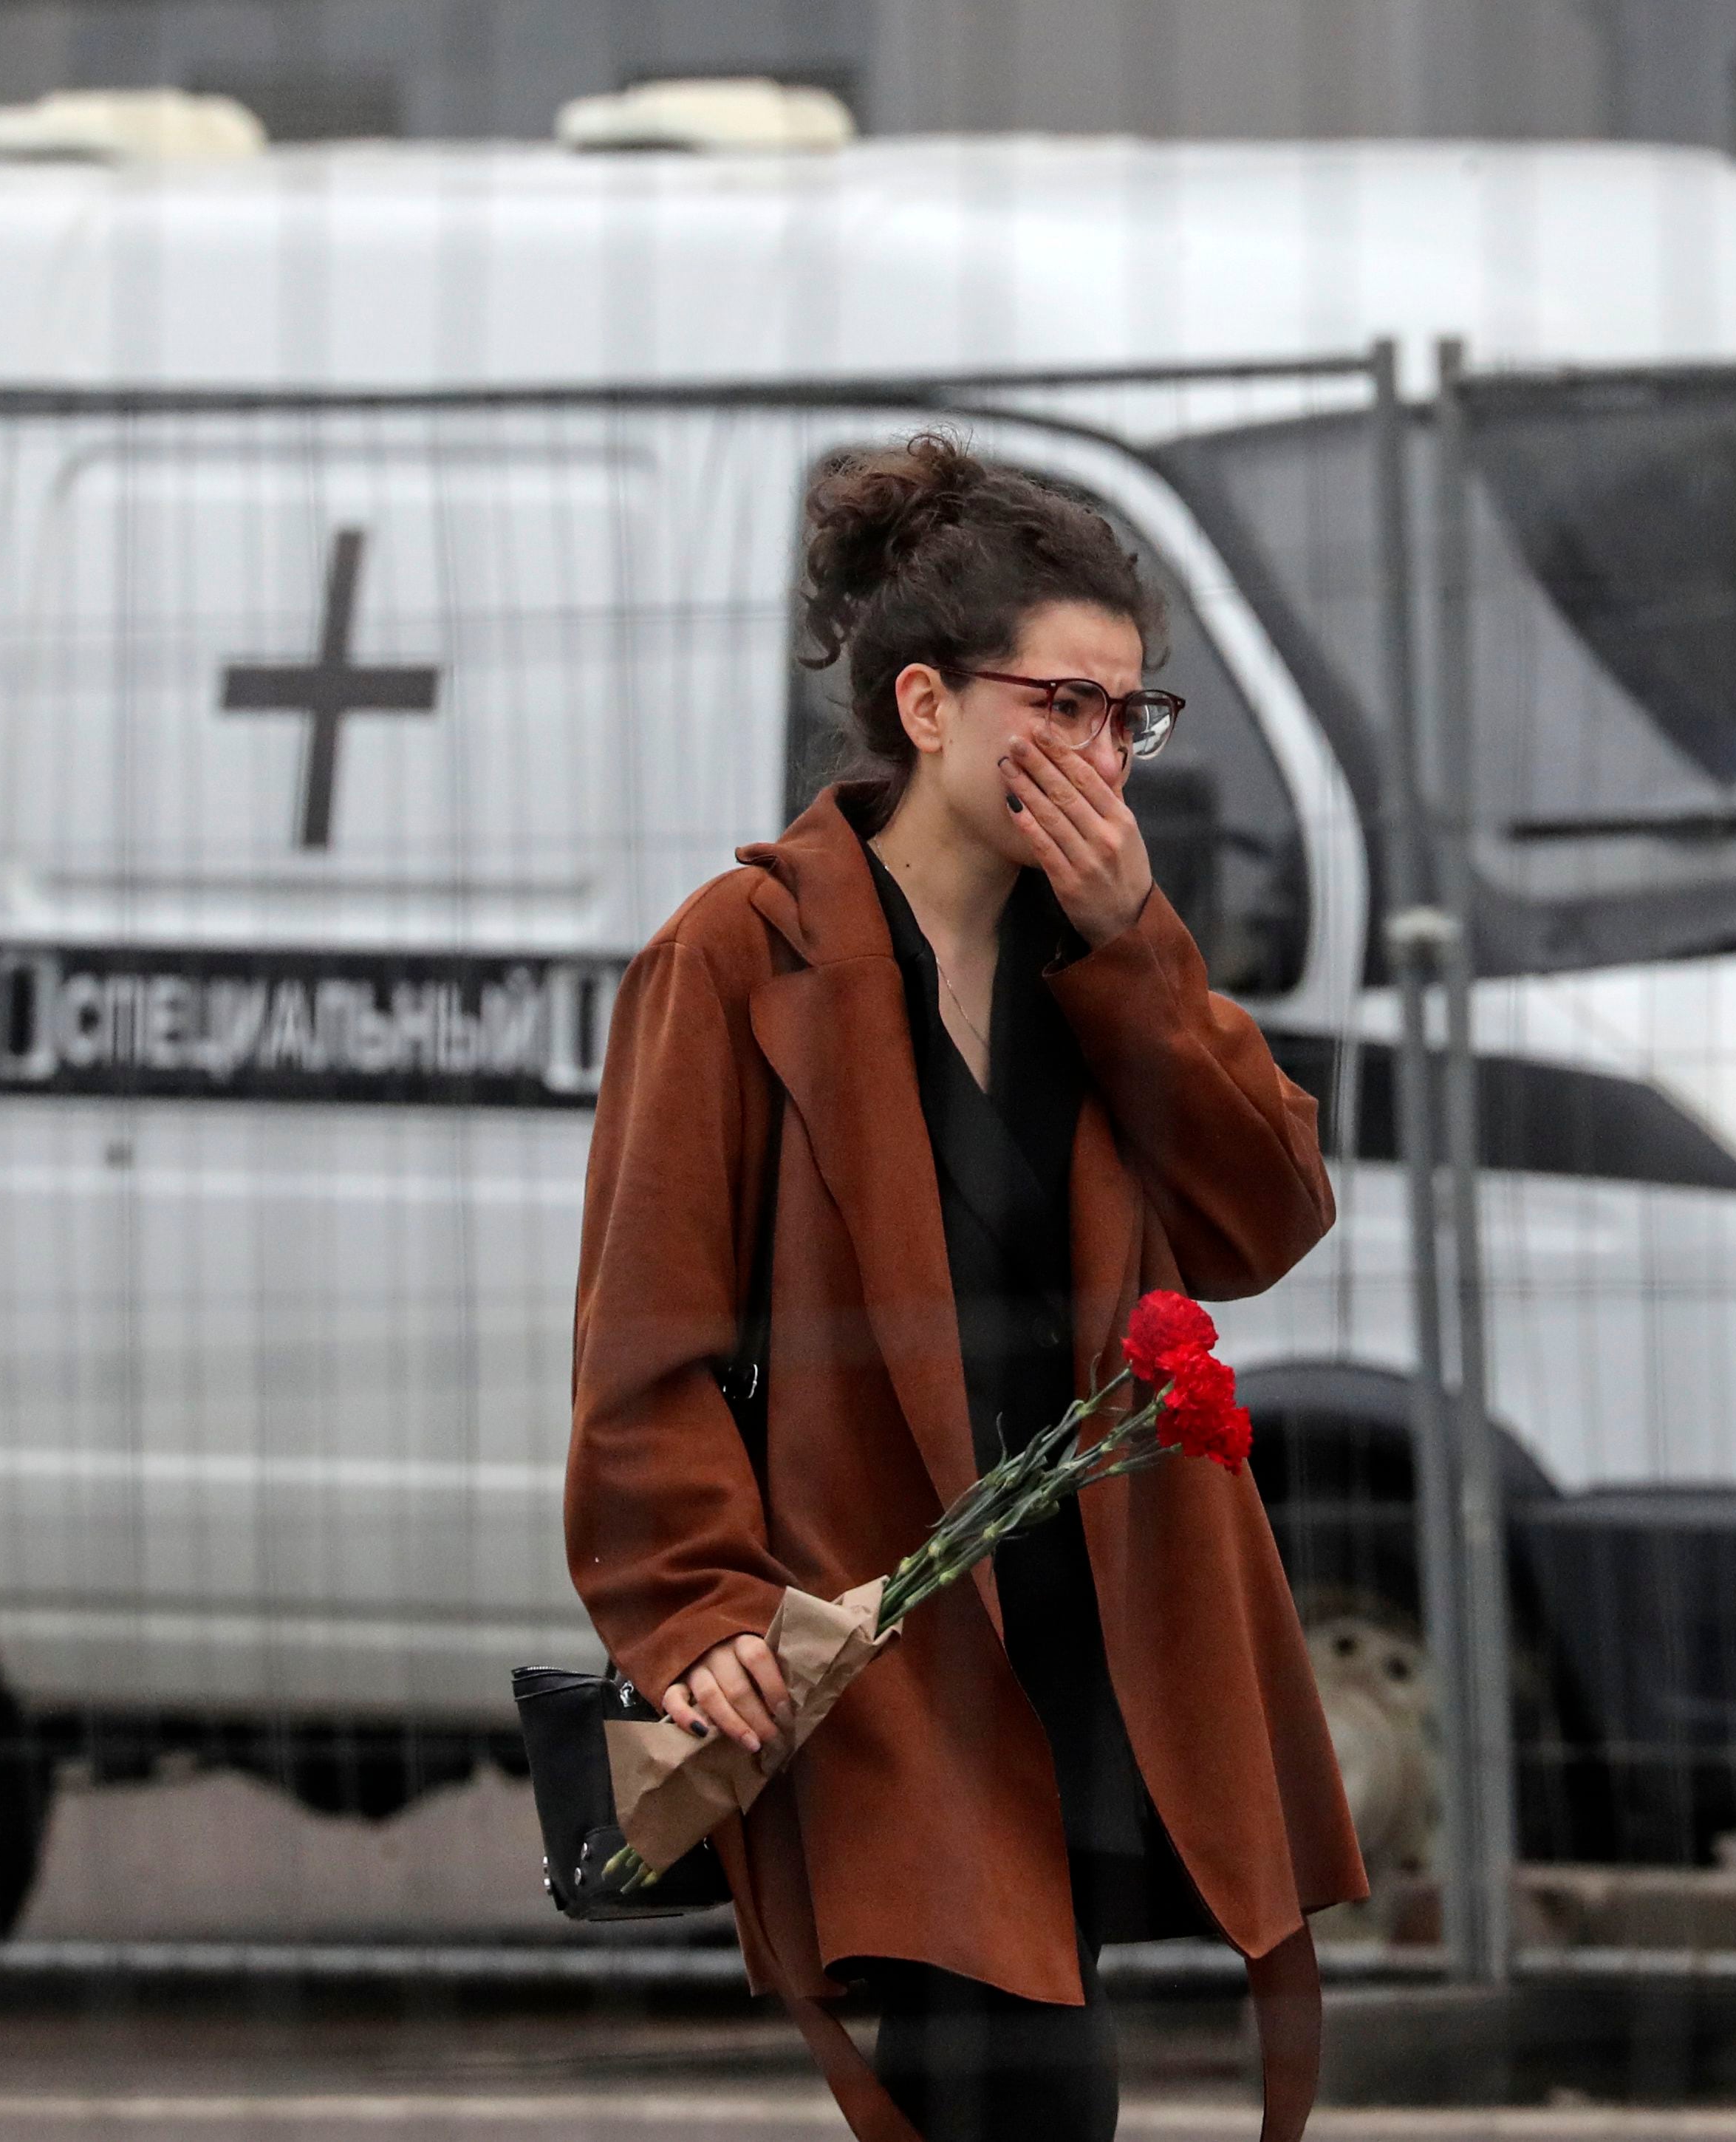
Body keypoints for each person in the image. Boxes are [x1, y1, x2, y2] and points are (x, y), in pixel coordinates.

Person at [565, 432, 1364, 2142]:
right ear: (924, 706)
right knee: (1020, 2093)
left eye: (1126, 718)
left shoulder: (1101, 951)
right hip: (884, 1646)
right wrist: (698, 1606)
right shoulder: (737, 957)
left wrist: (1140, 942)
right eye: (1060, 706)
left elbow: (1267, 1214)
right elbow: (645, 1342)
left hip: (1097, 1624)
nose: (1100, 757)